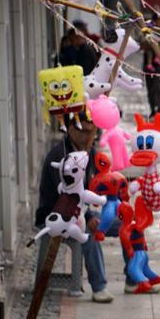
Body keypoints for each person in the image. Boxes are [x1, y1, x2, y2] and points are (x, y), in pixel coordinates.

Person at [35, 114, 114, 303]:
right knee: (89, 233)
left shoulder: (90, 153)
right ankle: (99, 287)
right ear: (70, 129)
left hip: (81, 211)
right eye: (83, 131)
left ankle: (135, 278)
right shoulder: (61, 156)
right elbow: (68, 197)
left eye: (91, 132)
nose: (87, 136)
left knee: (126, 222)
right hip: (57, 215)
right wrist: (89, 216)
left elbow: (100, 182)